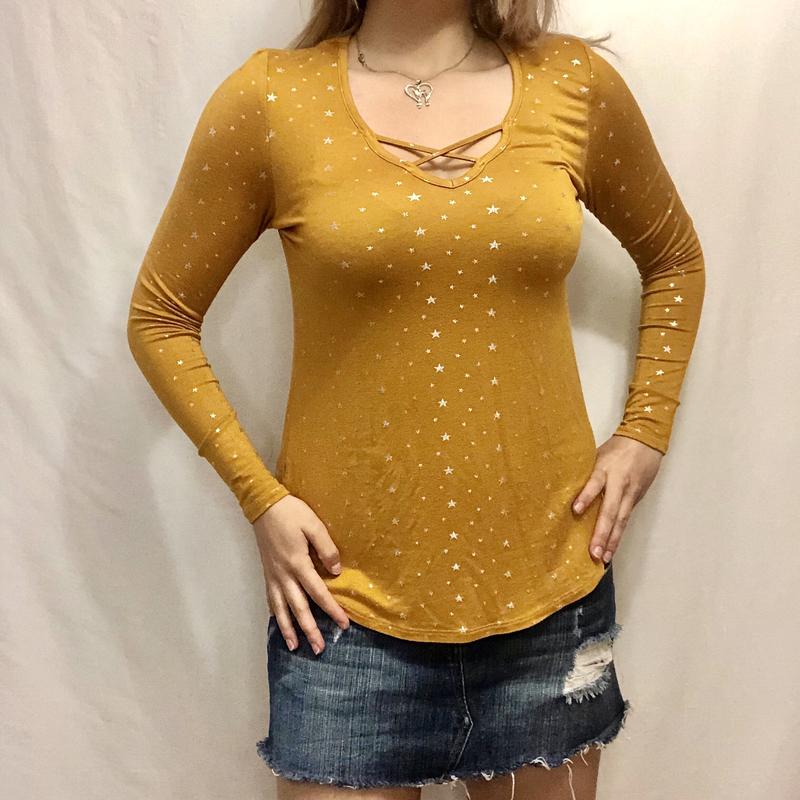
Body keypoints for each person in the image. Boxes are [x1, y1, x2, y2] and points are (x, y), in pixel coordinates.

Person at [126, 0, 705, 797]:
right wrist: (260, 498)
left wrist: (646, 429)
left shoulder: (573, 83)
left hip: (551, 600)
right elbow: (161, 317)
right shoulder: (271, 100)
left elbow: (674, 258)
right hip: (343, 613)